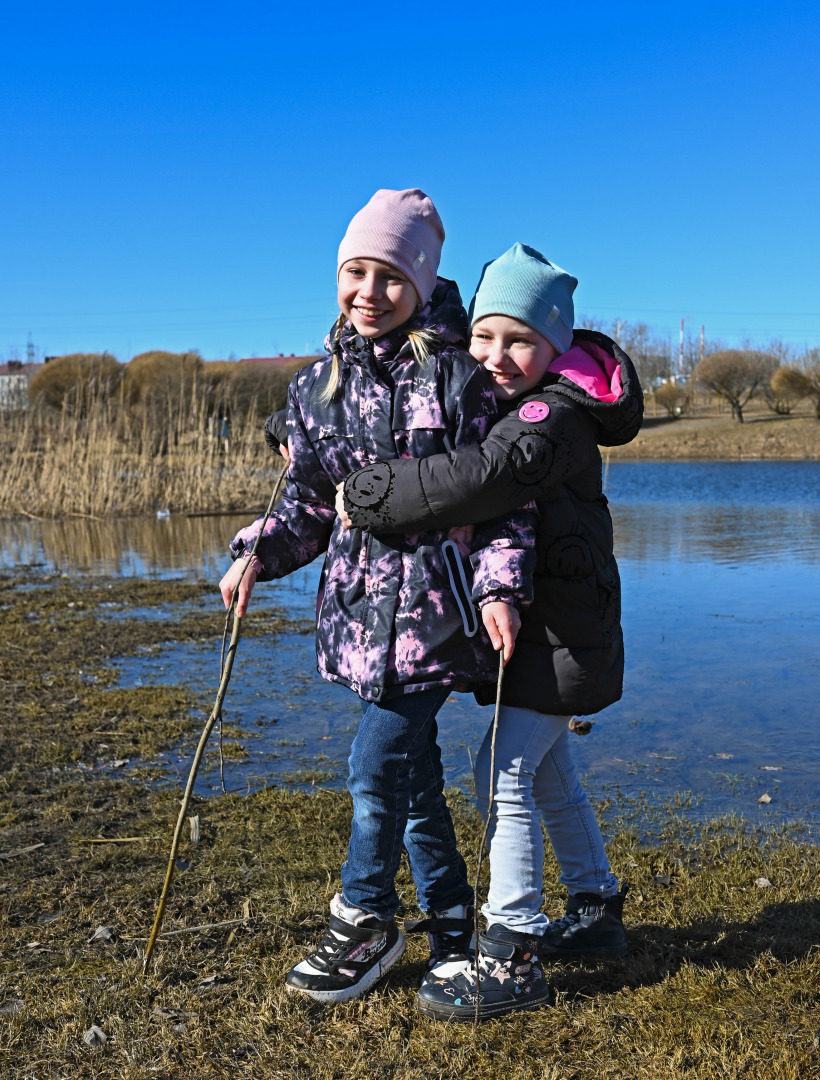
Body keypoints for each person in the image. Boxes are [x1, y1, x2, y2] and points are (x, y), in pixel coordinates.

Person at [219, 191, 535, 1005]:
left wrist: (499, 587)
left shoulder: (459, 380)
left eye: (389, 276)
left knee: (374, 767)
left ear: (422, 283)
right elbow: (308, 506)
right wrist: (258, 553)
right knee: (413, 780)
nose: (368, 291)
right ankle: (453, 922)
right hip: (359, 619)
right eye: (354, 272)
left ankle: (364, 915)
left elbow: (501, 500)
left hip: (435, 617)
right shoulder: (314, 389)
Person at [333, 243, 644, 1020]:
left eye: (520, 341)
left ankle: (512, 953)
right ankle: (595, 907)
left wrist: (368, 494)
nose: (498, 356)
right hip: (553, 637)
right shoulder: (518, 403)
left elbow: (478, 479)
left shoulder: (549, 417)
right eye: (486, 336)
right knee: (548, 776)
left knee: (498, 775)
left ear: (555, 348)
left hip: (559, 642)